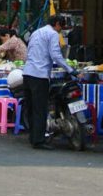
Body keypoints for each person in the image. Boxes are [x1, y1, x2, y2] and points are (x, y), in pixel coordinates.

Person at [23, 15, 74, 150]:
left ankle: (33, 137)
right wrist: (70, 69)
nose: (60, 30)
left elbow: (30, 52)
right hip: (40, 75)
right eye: (61, 27)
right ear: (57, 24)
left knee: (31, 108)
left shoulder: (36, 32)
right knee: (40, 109)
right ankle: (39, 140)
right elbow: (56, 55)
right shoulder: (52, 34)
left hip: (27, 73)